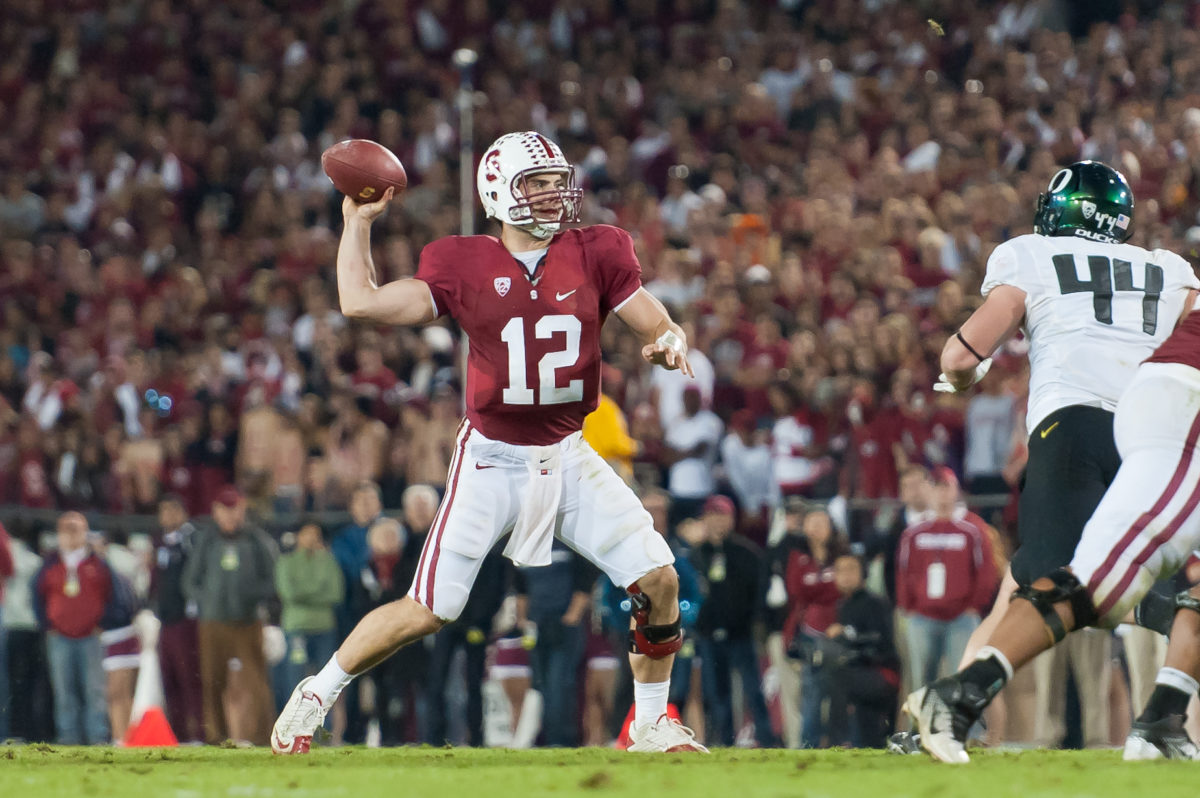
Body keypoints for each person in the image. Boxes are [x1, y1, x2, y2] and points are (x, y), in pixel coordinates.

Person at [273, 131, 705, 755]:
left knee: (660, 579)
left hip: (568, 455)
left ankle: (650, 724)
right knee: (428, 609)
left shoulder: (598, 250)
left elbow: (653, 317)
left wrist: (671, 338)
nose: (554, 194)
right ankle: (316, 693)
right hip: (491, 459)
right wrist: (356, 224)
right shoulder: (462, 262)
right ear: (501, 191)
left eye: (558, 181)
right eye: (538, 183)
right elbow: (359, 302)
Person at [893, 161, 1200, 755]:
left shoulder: (1029, 254)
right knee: (1069, 581)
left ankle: (951, 709)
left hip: (1074, 427)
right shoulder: (1170, 269)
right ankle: (954, 711)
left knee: (1051, 580)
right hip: (1153, 434)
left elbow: (960, 358)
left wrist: (962, 377)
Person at [184, 485, 277, 745]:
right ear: (215, 511)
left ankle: (262, 737)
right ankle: (216, 737)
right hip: (213, 622)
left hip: (248, 621)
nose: (229, 515)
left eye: (234, 509)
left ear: (242, 509)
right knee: (212, 681)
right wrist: (208, 600)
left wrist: (253, 597)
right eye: (224, 509)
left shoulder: (256, 540)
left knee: (256, 681)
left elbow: (272, 577)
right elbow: (190, 580)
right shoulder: (206, 540)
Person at [895, 467, 996, 687]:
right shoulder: (913, 533)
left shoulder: (973, 530)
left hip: (961, 618)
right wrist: (908, 606)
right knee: (921, 681)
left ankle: (958, 723)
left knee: (962, 681)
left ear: (956, 491)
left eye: (946, 487)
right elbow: (903, 572)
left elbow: (986, 571)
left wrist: (974, 606)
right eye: (936, 487)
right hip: (922, 616)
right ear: (928, 491)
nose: (941, 493)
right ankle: (924, 723)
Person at [691, 495, 777, 748]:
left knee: (753, 691)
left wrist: (754, 622)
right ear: (705, 519)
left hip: (740, 633)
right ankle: (723, 742)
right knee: (717, 693)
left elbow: (761, 593)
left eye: (723, 516)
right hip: (707, 634)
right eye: (713, 515)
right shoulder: (696, 555)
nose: (718, 521)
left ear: (732, 519)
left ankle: (767, 740)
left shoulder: (747, 553)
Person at [33, 512, 118, 745]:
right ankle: (68, 739)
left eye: (76, 530)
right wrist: (47, 625)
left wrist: (102, 624)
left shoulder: (98, 564)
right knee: (64, 692)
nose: (71, 536)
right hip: (59, 637)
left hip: (91, 636)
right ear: (59, 535)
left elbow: (114, 594)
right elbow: (37, 595)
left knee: (94, 691)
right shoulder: (50, 564)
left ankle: (97, 738)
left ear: (85, 533)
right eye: (66, 531)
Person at [823, 554, 900, 748]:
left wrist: (847, 635)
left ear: (863, 573)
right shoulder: (843, 605)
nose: (845, 575)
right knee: (870, 739)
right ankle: (865, 745)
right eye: (840, 570)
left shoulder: (875, 603)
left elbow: (880, 642)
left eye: (851, 569)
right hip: (860, 674)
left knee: (838, 677)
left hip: (882, 674)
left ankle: (837, 742)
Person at [274, 523, 343, 717]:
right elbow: (288, 594)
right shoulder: (286, 562)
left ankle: (323, 729)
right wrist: (318, 592)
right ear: (298, 536)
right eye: (307, 534)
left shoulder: (328, 561)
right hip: (297, 628)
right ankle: (291, 723)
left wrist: (304, 594)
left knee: (326, 680)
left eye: (316, 534)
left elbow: (336, 594)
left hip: (324, 628)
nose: (312, 538)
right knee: (294, 679)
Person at [150, 494, 204, 743]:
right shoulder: (160, 542)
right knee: (169, 678)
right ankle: (178, 733)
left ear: (182, 513)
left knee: (190, 677)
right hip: (166, 619)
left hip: (186, 619)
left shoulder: (193, 539)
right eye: (164, 511)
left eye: (172, 511)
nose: (167, 517)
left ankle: (199, 733)